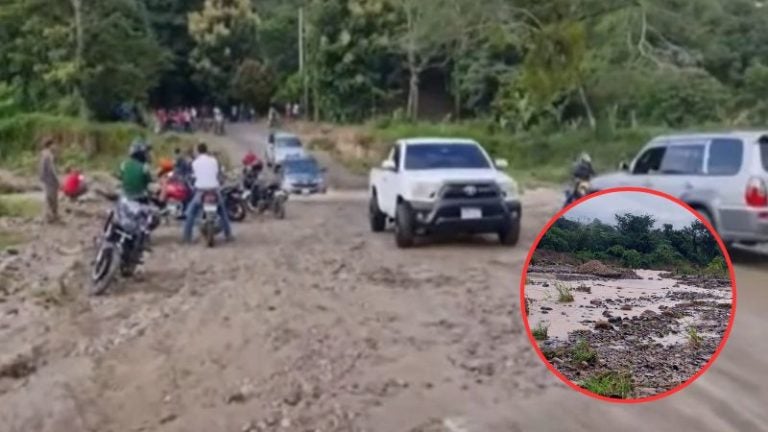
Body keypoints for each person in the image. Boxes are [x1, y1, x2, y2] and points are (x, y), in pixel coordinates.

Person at [182, 141, 233, 243]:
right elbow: (218, 173)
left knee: (190, 213)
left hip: (201, 191)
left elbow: (193, 176)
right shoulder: (213, 160)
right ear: (206, 150)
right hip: (214, 190)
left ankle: (187, 237)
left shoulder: (195, 163)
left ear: (198, 151)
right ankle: (228, 235)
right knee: (223, 212)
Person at [38, 137, 60, 223]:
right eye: (53, 144)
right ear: (50, 145)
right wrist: (58, 179)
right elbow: (52, 169)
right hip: (51, 179)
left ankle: (49, 216)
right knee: (53, 198)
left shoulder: (43, 154)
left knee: (48, 197)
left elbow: (41, 168)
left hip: (45, 179)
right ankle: (53, 216)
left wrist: (41, 177)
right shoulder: (49, 155)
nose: (55, 146)